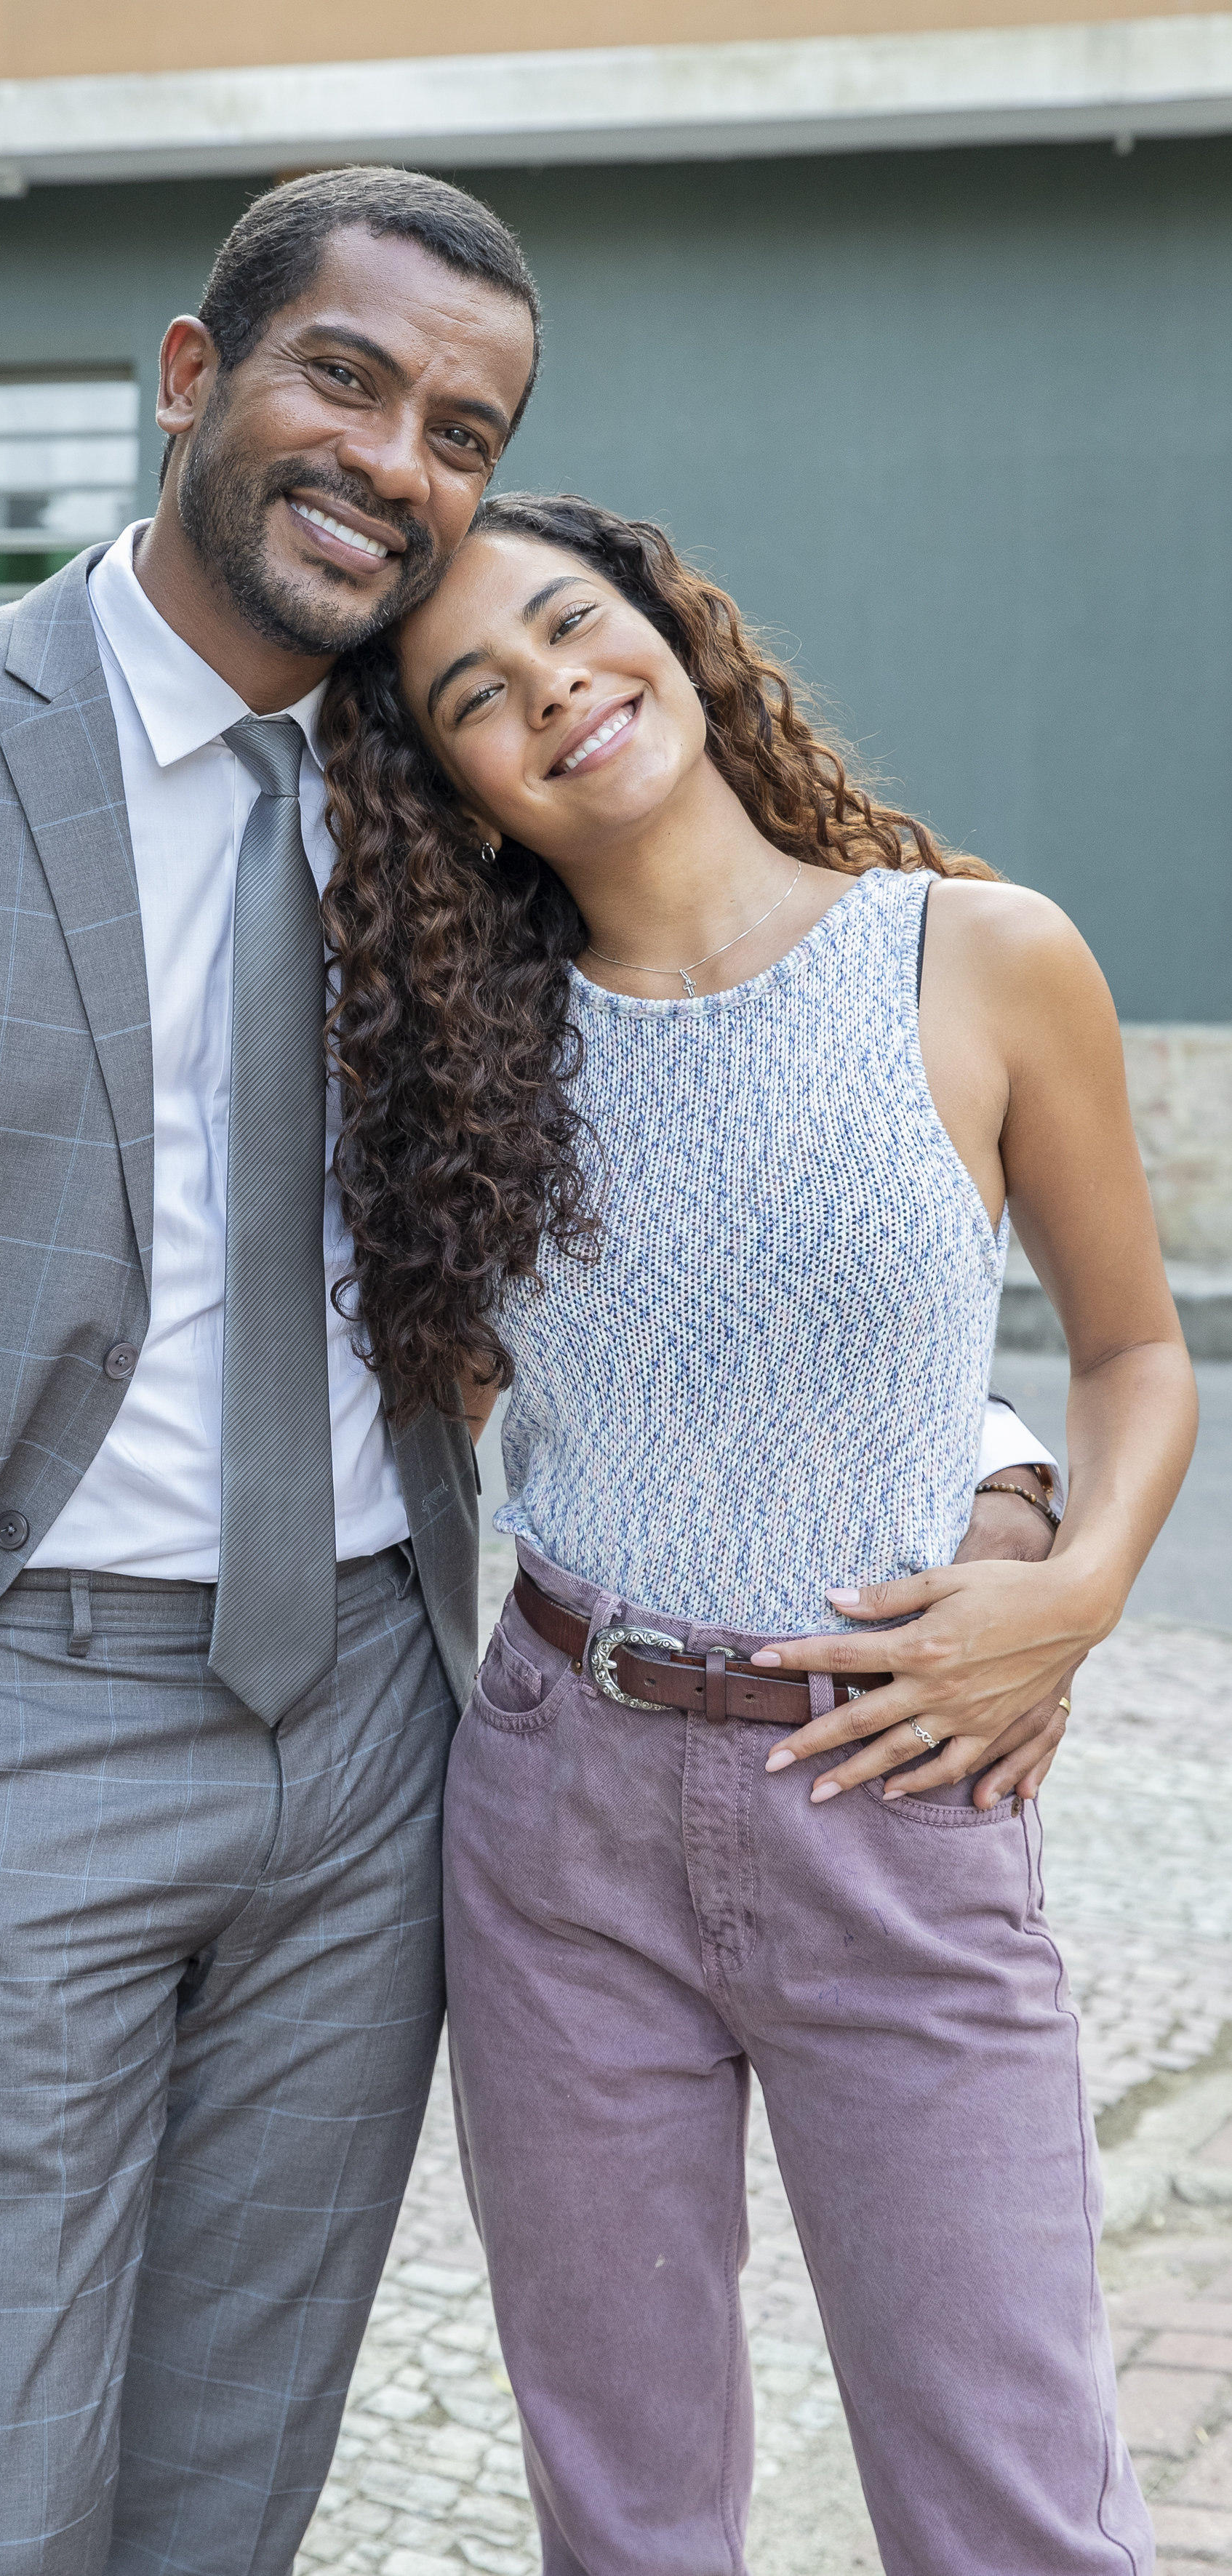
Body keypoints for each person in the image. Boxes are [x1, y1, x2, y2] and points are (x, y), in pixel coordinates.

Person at [0, 172, 1072, 2573]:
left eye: (463, 427)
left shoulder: (464, 793)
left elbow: (747, 1184)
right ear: (192, 378)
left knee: (227, 2497)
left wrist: (985, 1482)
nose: (396, 458)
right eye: (343, 379)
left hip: (381, 1740)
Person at [321, 489, 1196, 2575]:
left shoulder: (976, 954)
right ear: (454, 785)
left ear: (661, 618)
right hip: (557, 1814)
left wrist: (1060, 1595)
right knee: (622, 2510)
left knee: (1008, 2495)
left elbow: (1138, 1354)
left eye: (565, 622)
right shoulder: (460, 1062)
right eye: (472, 695)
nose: (549, 687)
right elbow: (439, 1426)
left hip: (892, 1790)